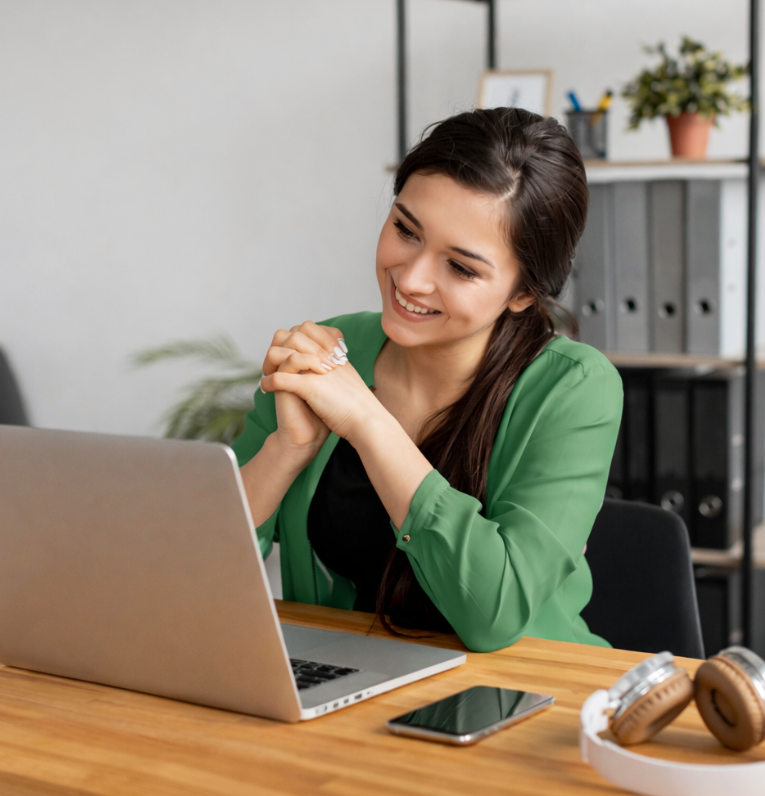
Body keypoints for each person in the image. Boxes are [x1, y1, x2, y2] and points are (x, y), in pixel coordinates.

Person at [233, 108, 621, 653]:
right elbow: (193, 571)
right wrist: (286, 449)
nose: (412, 279)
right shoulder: (332, 348)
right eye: (405, 230)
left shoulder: (576, 389)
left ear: (523, 293)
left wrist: (369, 424)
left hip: (521, 695)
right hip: (345, 682)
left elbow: (493, 614)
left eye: (461, 268)